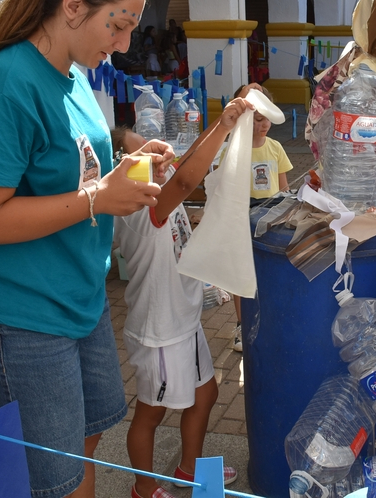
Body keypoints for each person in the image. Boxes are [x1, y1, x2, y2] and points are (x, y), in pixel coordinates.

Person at [0, 0, 175, 498]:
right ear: (73, 6)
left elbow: (69, 168)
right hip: (22, 315)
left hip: (78, 298)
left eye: (131, 27)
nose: (124, 44)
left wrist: (128, 162)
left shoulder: (72, 74)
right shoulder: (8, 83)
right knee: (53, 476)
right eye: (117, 24)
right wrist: (100, 199)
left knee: (83, 444)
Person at [113, 96, 250, 498]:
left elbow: (186, 165)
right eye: (140, 159)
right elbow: (186, 181)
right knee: (150, 413)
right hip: (159, 330)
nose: (155, 163)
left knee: (205, 394)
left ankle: (189, 470)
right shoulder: (137, 207)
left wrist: (222, 121)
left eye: (153, 151)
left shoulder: (157, 189)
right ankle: (144, 486)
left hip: (183, 321)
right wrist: (222, 126)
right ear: (120, 171)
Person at [226, 83, 292, 351]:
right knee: (241, 274)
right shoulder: (233, 148)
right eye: (256, 119)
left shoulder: (275, 148)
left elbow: (285, 188)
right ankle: (243, 325)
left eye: (267, 118)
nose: (263, 125)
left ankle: (269, 322)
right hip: (241, 214)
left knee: (267, 272)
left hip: (271, 216)